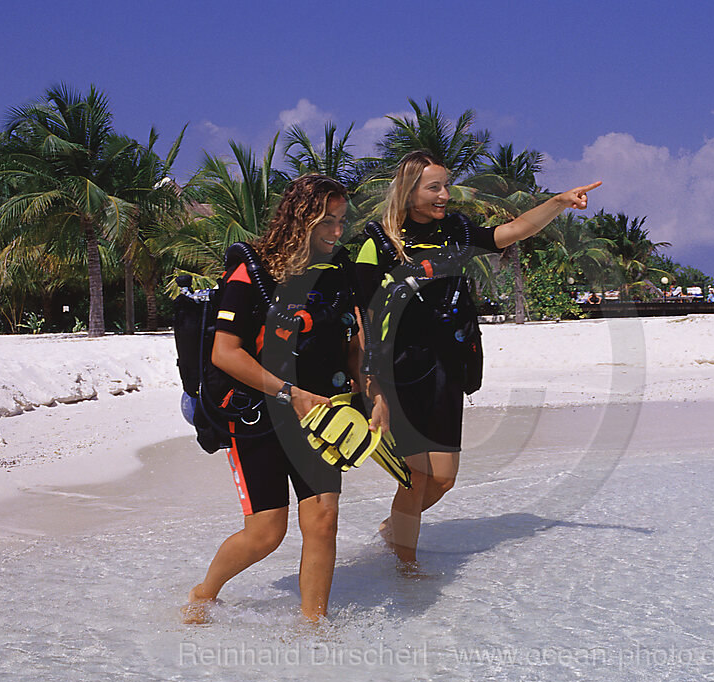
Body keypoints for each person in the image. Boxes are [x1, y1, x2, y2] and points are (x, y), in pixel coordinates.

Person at [355, 150, 600, 567]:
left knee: (444, 479)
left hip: (448, 365)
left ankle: (394, 530)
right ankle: (407, 566)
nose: (445, 195)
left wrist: (558, 202)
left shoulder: (456, 230)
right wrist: (369, 381)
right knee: (416, 477)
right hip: (402, 370)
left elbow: (513, 231)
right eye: (434, 187)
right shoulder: (378, 242)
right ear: (409, 190)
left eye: (446, 186)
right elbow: (362, 314)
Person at [184, 174, 388, 623]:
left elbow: (354, 348)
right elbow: (225, 352)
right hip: (259, 414)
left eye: (341, 220)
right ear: (300, 218)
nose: (338, 231)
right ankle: (204, 593)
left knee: (324, 519)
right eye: (327, 221)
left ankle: (314, 627)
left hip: (325, 415)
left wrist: (376, 397)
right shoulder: (251, 270)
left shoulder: (341, 273)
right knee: (266, 533)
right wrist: (289, 392)